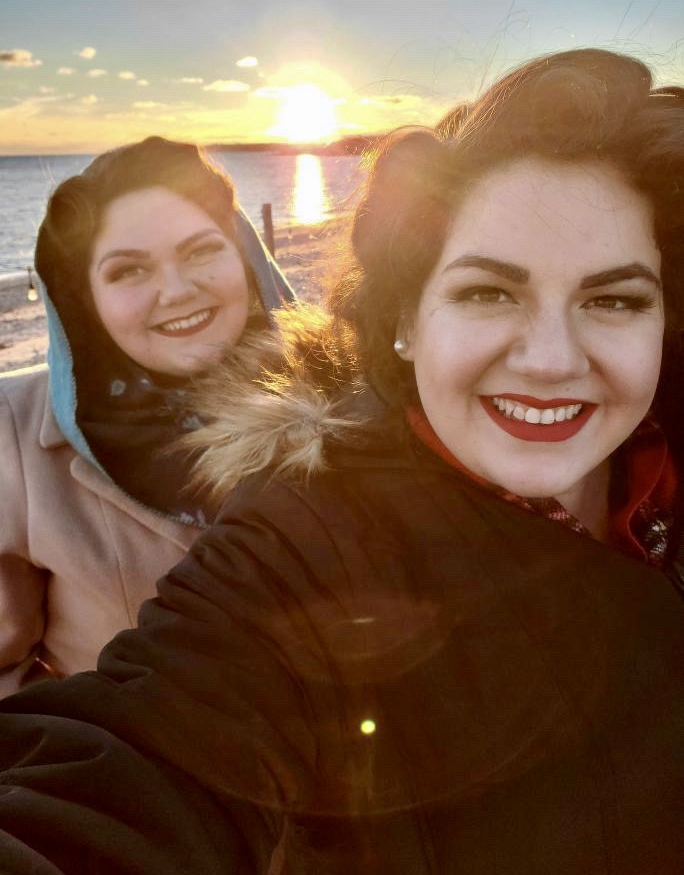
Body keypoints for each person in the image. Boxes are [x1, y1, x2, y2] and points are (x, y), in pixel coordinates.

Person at [2, 48, 684, 874]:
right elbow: (139, 750)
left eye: (614, 299)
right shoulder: (303, 536)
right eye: (486, 291)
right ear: (404, 317)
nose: (549, 359)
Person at [0, 135, 294, 697]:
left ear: (244, 257)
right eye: (128, 271)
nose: (178, 290)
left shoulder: (339, 398)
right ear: (86, 299)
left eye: (202, 250)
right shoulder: (14, 435)